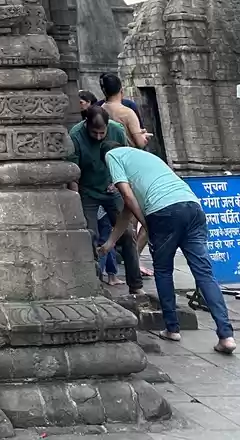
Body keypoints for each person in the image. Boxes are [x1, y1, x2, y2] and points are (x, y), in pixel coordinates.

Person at [100, 141, 236, 354]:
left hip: (164, 213)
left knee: (163, 271)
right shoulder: (146, 159)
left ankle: (172, 328)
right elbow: (127, 210)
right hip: (193, 207)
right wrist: (109, 244)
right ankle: (226, 336)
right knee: (205, 274)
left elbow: (127, 195)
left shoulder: (112, 156)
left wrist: (147, 224)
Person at [69, 106, 143, 296]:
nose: (99, 137)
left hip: (113, 188)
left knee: (127, 234)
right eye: (95, 133)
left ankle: (136, 284)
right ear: (86, 125)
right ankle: (95, 283)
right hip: (88, 190)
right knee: (89, 234)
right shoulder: (76, 136)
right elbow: (73, 173)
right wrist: (76, 198)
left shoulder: (117, 130)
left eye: (103, 133)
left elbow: (127, 159)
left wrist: (119, 182)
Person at [99, 72, 148, 148]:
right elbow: (140, 143)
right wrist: (144, 136)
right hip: (128, 155)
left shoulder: (100, 110)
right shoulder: (127, 113)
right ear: (121, 91)